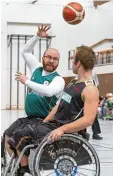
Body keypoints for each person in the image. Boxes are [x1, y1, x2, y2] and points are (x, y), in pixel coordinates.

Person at [8, 45, 99, 176]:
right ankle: (22, 168)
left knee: (20, 135)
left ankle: (23, 170)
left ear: (78, 63)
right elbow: (58, 106)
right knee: (16, 132)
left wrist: (62, 129)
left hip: (63, 129)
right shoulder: (74, 82)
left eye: (72, 59)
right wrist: (44, 121)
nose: (71, 63)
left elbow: (88, 120)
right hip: (53, 124)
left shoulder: (90, 89)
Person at [2, 25, 65, 160]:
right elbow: (25, 52)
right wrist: (37, 36)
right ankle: (18, 166)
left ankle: (23, 169)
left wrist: (27, 81)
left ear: (58, 62)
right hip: (29, 118)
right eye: (49, 57)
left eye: (55, 59)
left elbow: (48, 92)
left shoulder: (58, 79)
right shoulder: (36, 68)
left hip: (44, 122)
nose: (51, 61)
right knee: (6, 136)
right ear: (43, 57)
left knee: (17, 139)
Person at [92, 71, 103, 140]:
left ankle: (95, 133)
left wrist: (97, 98)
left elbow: (97, 86)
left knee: (94, 117)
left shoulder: (94, 73)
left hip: (92, 95)